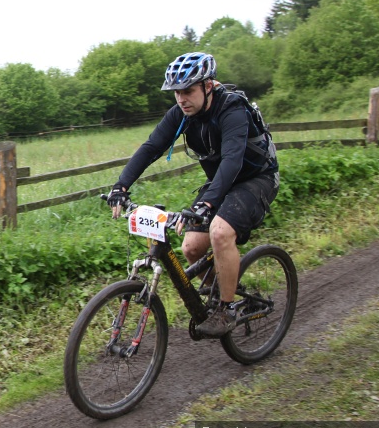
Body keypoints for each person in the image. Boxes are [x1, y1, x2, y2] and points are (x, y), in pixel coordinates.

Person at [106, 52, 279, 337]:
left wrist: (206, 203)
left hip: (256, 178)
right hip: (221, 182)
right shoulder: (181, 114)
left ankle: (226, 309)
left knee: (220, 232)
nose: (181, 99)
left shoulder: (232, 109)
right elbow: (151, 148)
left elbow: (232, 160)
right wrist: (120, 186)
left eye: (188, 91)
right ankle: (224, 292)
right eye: (176, 93)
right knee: (191, 248)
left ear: (208, 86)